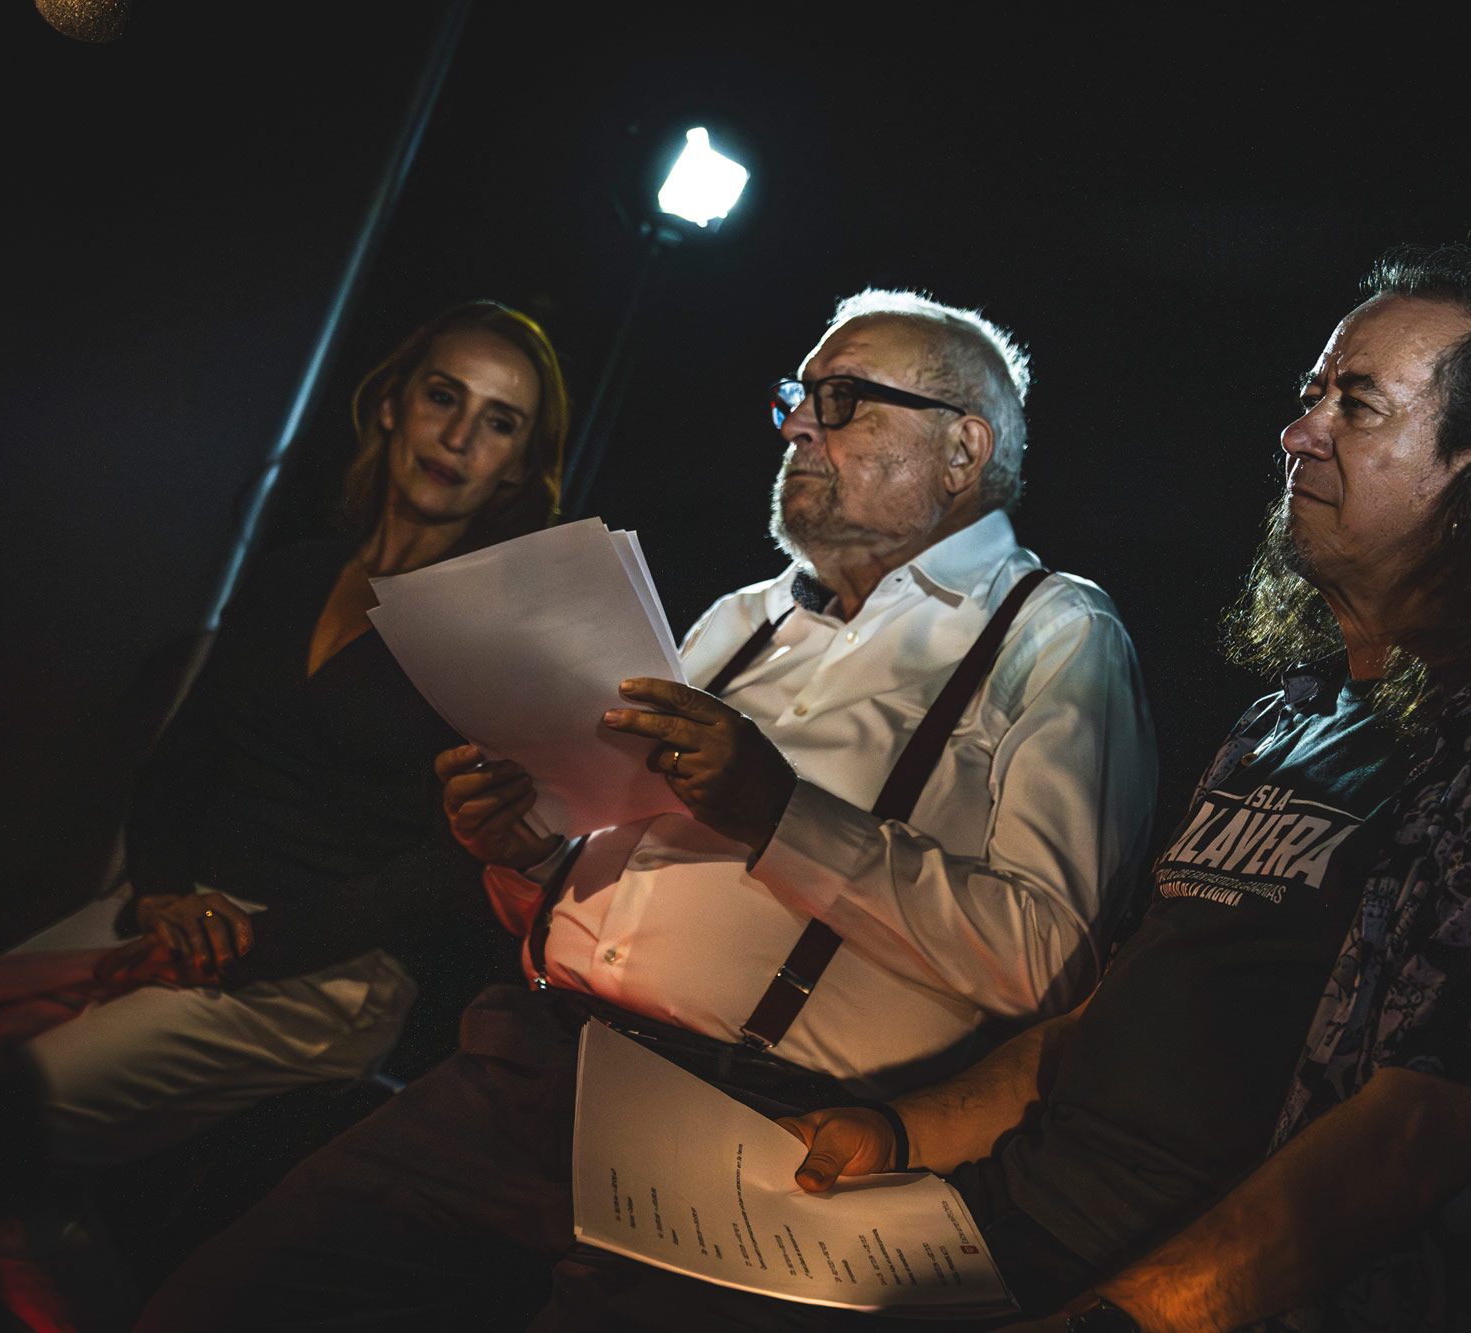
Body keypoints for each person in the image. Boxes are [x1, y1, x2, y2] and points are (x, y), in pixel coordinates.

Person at [137, 290, 1158, 1328]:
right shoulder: (740, 618)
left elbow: (1051, 959)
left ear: (962, 448)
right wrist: (517, 852)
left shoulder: (1052, 634)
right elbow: (603, 856)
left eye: (841, 398)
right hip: (522, 1069)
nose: (798, 423)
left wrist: (781, 814)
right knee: (216, 1301)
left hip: (753, 1136)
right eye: (794, 398)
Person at [764, 245, 1471, 1332]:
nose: (1297, 432)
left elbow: (1408, 1142)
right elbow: (1107, 1020)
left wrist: (1121, 1319)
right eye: (1307, 398)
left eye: (1356, 404)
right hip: (993, 1226)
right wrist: (902, 1130)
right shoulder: (1280, 723)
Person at [23, 300, 572, 1167]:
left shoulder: (492, 636)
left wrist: (252, 946)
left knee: (5, 1099)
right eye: (443, 396)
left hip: (322, 974)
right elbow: (181, 757)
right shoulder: (295, 574)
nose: (459, 435)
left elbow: (448, 869)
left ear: (515, 467)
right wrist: (164, 894)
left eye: (498, 422)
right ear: (391, 403)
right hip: (180, 910)